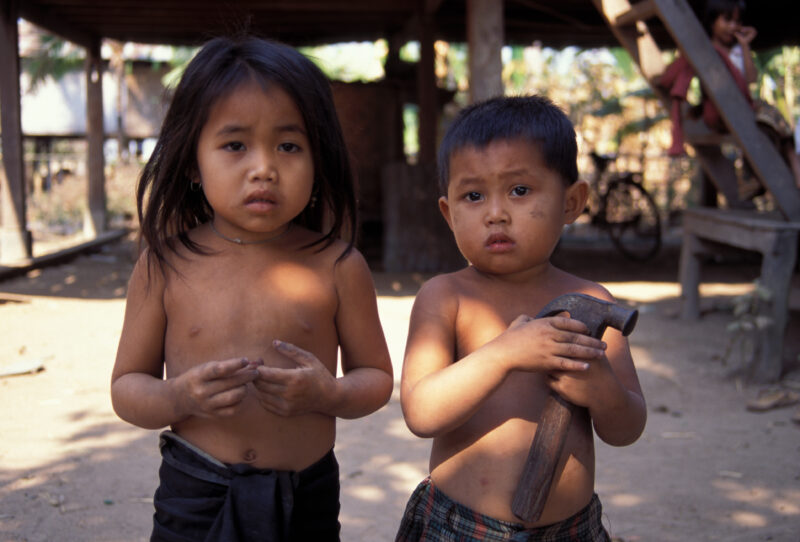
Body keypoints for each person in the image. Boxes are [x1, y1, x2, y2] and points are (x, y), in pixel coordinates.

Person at [110, 36, 394, 542]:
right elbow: (128, 388)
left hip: (303, 494)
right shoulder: (165, 265)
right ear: (194, 163)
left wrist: (330, 393)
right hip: (196, 492)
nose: (264, 167)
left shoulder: (338, 265)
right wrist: (179, 396)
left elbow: (374, 377)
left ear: (317, 159)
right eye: (235, 144)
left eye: (288, 145)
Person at [395, 96, 646, 541]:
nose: (495, 213)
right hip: (460, 529)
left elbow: (626, 428)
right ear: (449, 214)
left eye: (519, 190)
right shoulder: (446, 298)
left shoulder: (592, 300)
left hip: (572, 530)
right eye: (473, 196)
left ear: (572, 202)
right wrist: (502, 355)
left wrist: (602, 388)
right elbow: (420, 412)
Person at [659, 0, 800, 193]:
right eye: (727, 20)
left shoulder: (736, 52)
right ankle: (786, 166)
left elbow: (751, 79)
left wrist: (744, 46)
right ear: (712, 21)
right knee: (768, 116)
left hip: (743, 109)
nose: (733, 26)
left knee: (771, 126)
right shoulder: (704, 51)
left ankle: (784, 167)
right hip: (720, 114)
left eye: (737, 21)